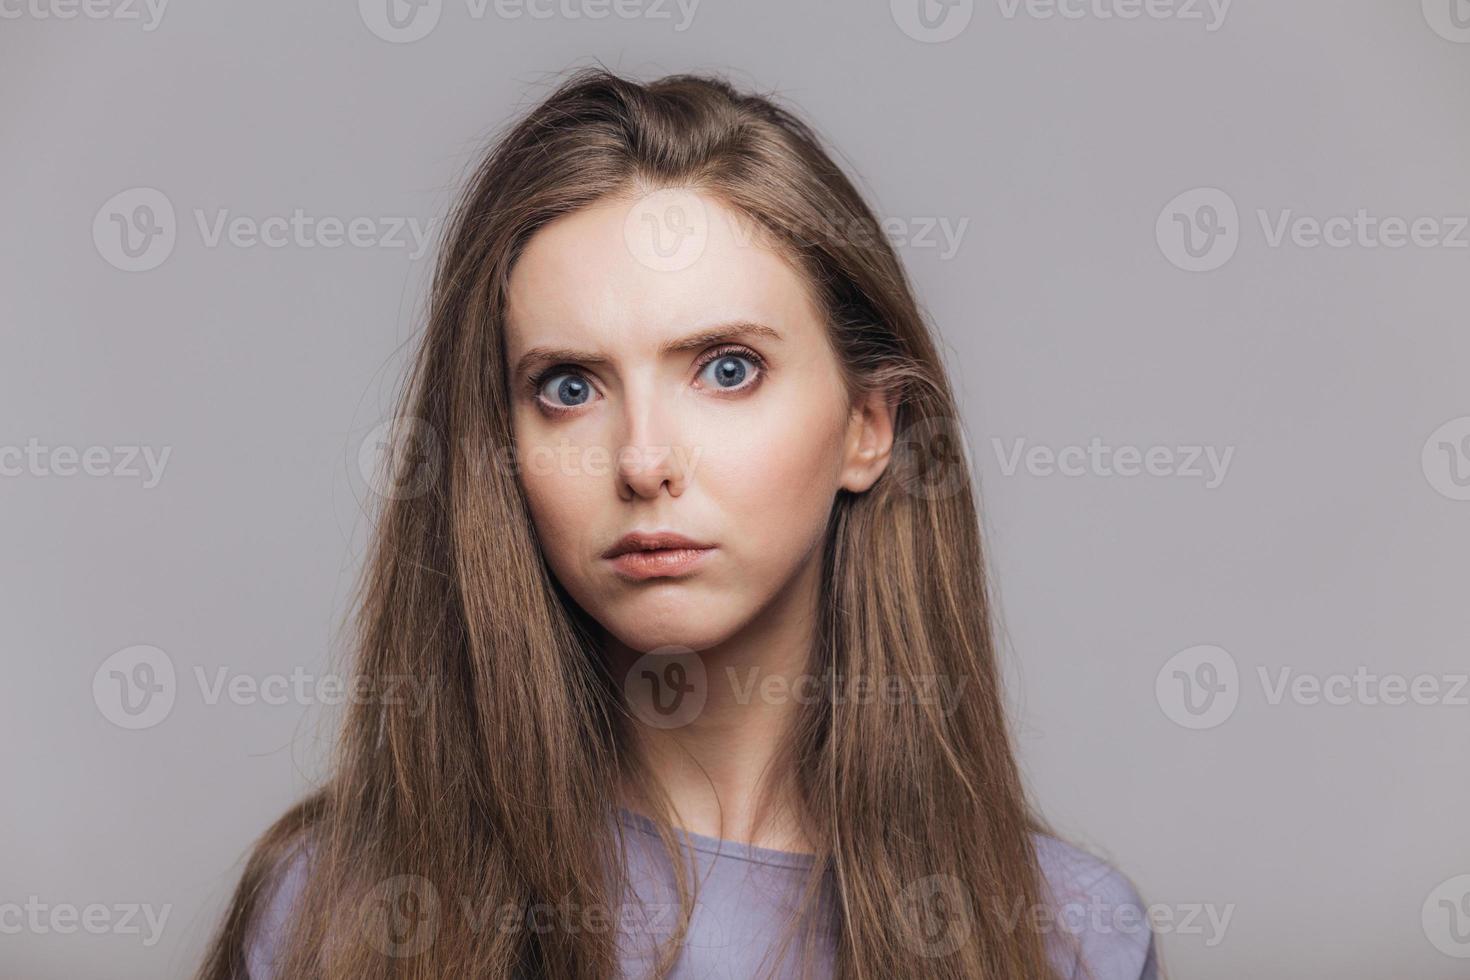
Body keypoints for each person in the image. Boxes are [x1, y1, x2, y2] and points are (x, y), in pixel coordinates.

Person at [197, 67, 1159, 980]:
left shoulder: (1064, 938)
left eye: (726, 369)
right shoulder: (338, 910)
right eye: (568, 388)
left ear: (870, 428)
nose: (643, 460)